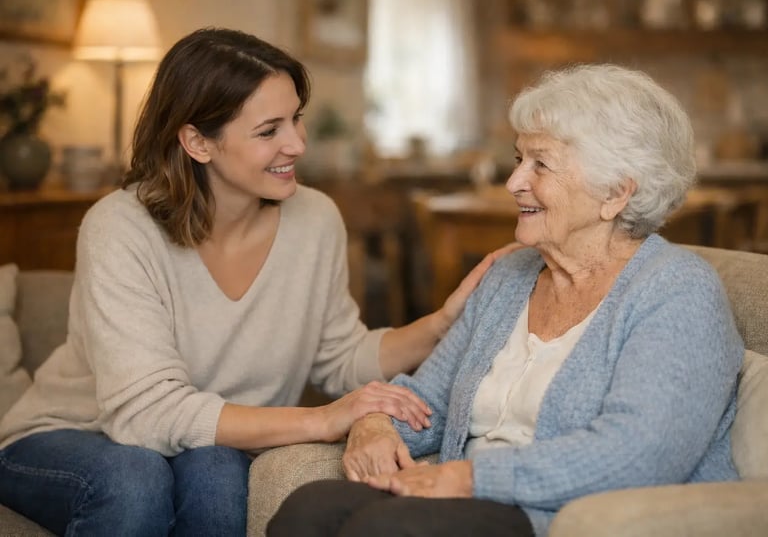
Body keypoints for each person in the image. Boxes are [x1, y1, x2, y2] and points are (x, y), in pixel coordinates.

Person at [0, 28, 512, 536]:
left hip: (208, 444)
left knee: (218, 472)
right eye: (269, 131)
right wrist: (323, 420)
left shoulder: (315, 219)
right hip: (68, 435)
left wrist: (442, 322)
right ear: (198, 141)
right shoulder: (119, 227)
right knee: (133, 477)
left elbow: (339, 357)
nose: (297, 144)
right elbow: (146, 414)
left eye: (296, 119)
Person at [267, 63, 745, 537]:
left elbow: (637, 453)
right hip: (468, 500)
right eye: (519, 159)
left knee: (391, 529)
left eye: (541, 164)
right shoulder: (510, 276)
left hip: (565, 515)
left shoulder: (678, 293)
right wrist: (375, 423)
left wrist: (470, 477)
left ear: (616, 194)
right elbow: (428, 399)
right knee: (310, 509)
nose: (514, 182)